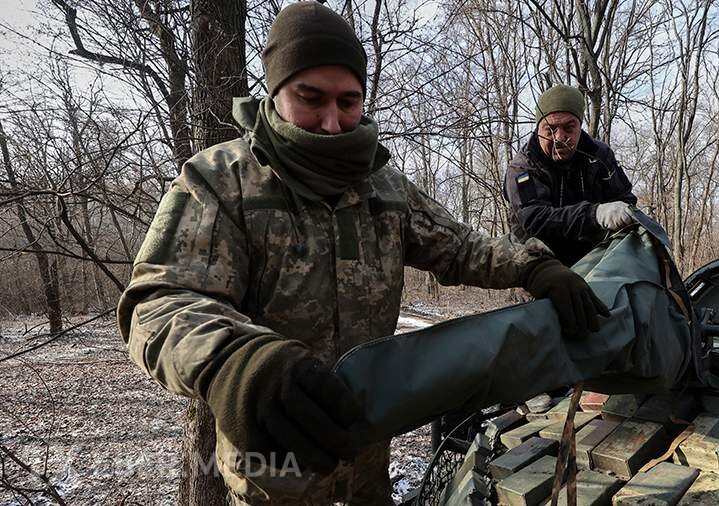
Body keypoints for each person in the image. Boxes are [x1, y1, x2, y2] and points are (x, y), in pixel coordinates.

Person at [116, 3, 607, 504]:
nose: (332, 123)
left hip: (367, 448)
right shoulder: (221, 181)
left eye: (349, 102)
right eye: (311, 98)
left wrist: (535, 264)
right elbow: (158, 304)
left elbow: (460, 247)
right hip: (275, 460)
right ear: (275, 90)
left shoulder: (381, 186)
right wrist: (234, 362)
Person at [504, 84, 638, 267]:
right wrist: (595, 214)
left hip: (599, 259)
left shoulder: (599, 155)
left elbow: (624, 199)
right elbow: (535, 220)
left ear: (580, 127)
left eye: (569, 128)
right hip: (542, 264)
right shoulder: (522, 168)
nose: (559, 137)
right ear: (537, 130)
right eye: (550, 129)